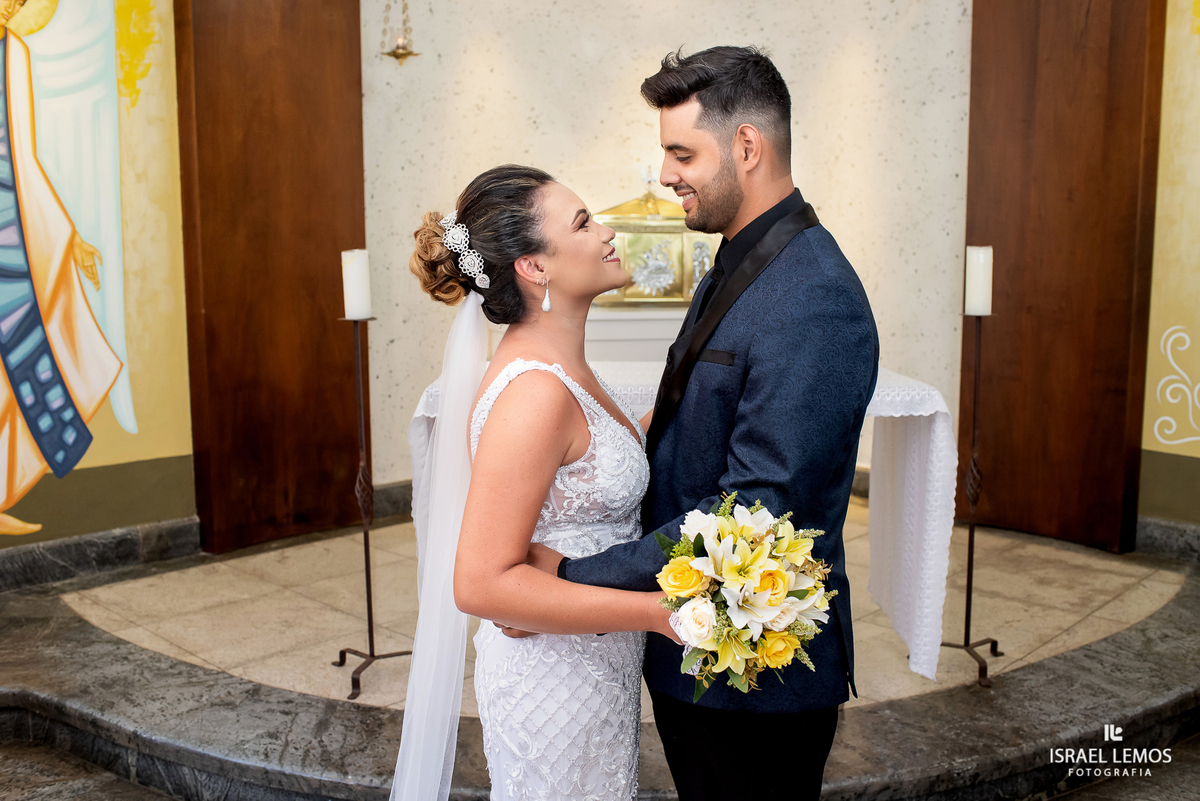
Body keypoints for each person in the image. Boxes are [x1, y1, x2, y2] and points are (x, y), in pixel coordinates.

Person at [529, 46, 880, 801]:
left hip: (753, 681)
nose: (664, 174)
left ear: (746, 146)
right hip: (702, 658)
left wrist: (577, 577)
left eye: (681, 152)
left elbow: (755, 514)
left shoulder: (813, 294)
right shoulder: (742, 258)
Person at [391, 164, 679, 801]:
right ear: (535, 267)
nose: (607, 232)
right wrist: (657, 613)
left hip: (593, 663)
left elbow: (581, 473)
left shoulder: (561, 368)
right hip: (555, 682)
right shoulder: (535, 393)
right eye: (582, 222)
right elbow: (481, 582)